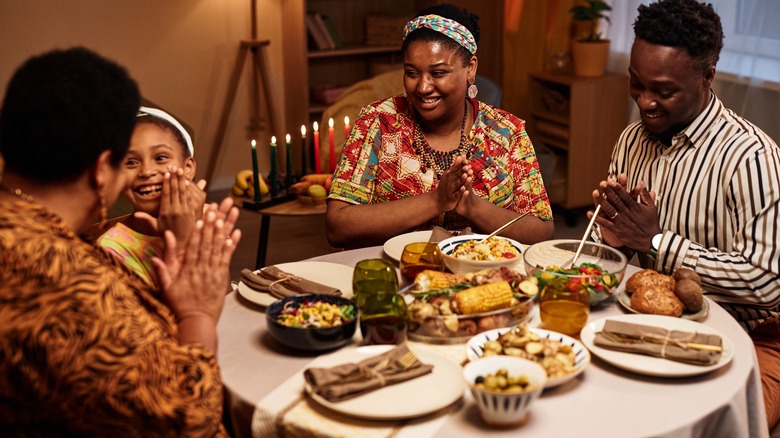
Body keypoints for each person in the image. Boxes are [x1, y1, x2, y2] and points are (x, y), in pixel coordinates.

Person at [0, 47, 241, 436]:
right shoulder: (66, 284)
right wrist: (196, 314)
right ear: (101, 170)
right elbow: (189, 417)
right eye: (127, 163)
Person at [590, 0, 780, 429]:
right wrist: (612, 239)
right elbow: (619, 253)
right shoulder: (632, 139)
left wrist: (655, 242)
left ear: (707, 76)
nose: (645, 102)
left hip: (756, 334)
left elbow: (768, 282)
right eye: (636, 84)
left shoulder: (752, 158)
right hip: (657, 320)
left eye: (663, 90)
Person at [326, 3, 554, 248]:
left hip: (483, 278)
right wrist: (436, 201)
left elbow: (541, 230)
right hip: (393, 275)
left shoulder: (506, 131)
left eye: (438, 73)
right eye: (412, 73)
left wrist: (473, 207)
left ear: (470, 69)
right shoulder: (378, 122)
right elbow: (337, 226)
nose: (423, 87)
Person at [98, 106, 207, 288]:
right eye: (131, 162)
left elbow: (224, 301)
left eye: (161, 157)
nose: (147, 171)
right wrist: (184, 241)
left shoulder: (204, 215)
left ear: (188, 168)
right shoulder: (110, 252)